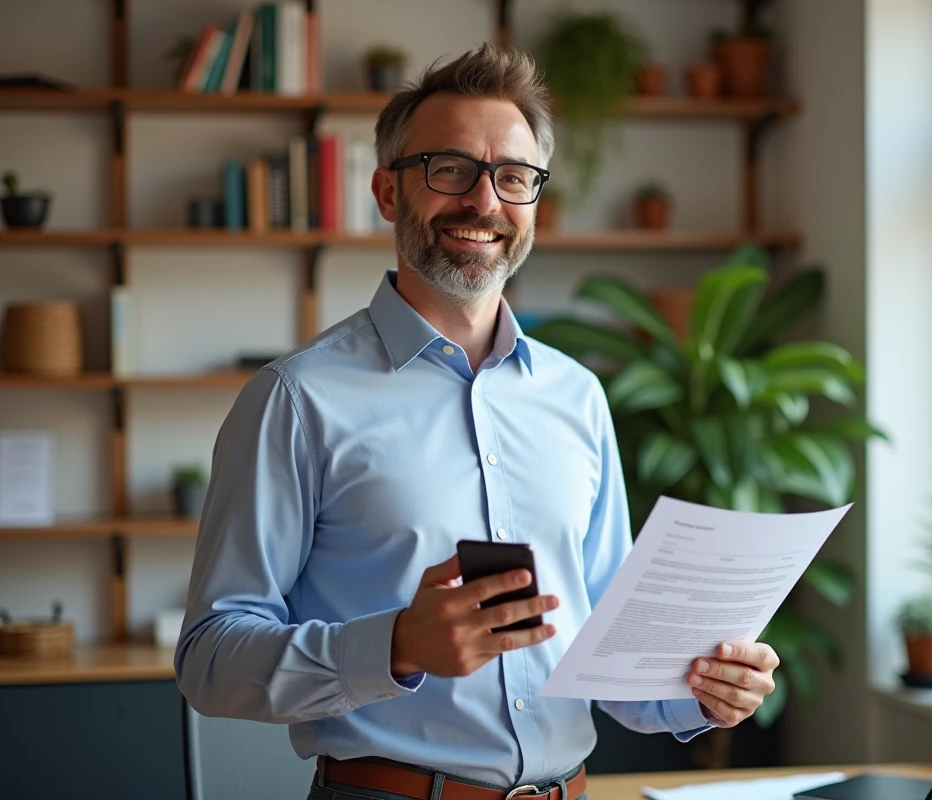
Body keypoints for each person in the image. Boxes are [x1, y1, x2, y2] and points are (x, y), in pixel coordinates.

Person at [174, 43, 779, 800]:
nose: (485, 202)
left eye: (513, 178)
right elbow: (208, 659)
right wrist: (393, 646)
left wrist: (703, 686)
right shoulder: (296, 400)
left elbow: (605, 654)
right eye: (450, 169)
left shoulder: (578, 395)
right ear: (388, 193)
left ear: (533, 202)